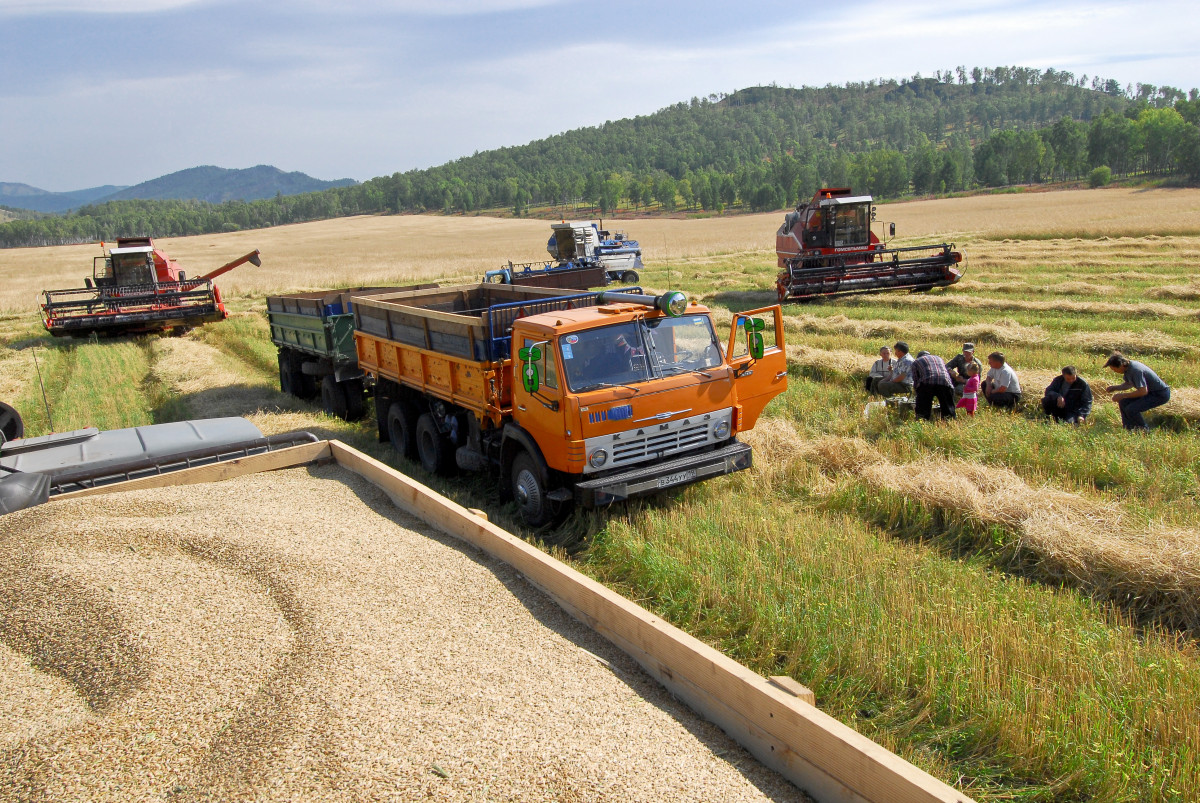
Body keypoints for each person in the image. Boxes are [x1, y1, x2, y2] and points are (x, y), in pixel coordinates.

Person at [1104, 352, 1170, 431]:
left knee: (1131, 409)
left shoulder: (1136, 370)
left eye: (1114, 369)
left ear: (1121, 365)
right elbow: (1129, 384)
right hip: (1151, 393)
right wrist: (1115, 388)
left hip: (1159, 394)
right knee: (1123, 402)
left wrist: (1122, 395)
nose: (1114, 371)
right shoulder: (1128, 368)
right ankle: (1129, 429)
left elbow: (1142, 392)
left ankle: (1143, 431)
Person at [911, 350, 956, 421]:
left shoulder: (916, 362)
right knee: (947, 406)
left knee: (923, 407)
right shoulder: (939, 358)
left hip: (927, 382)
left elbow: (916, 380)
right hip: (945, 382)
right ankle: (949, 421)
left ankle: (922, 421)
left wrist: (917, 393)